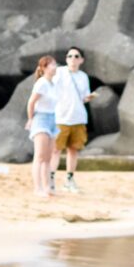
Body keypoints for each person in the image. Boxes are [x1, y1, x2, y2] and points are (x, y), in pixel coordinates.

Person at [51, 47, 93, 194]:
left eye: (76, 56)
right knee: (55, 150)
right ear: (66, 58)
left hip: (78, 117)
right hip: (61, 117)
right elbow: (50, 85)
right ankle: (50, 179)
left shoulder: (83, 77)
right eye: (70, 56)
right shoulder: (60, 72)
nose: (73, 59)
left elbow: (84, 97)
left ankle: (69, 179)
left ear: (81, 60)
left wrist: (88, 98)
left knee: (73, 150)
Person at [26, 56, 59, 197]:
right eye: (52, 65)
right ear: (44, 68)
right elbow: (31, 102)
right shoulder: (41, 83)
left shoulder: (53, 84)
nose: (55, 67)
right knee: (39, 156)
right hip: (41, 118)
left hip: (53, 118)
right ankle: (37, 188)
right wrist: (30, 119)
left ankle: (47, 187)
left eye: (55, 64)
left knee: (47, 157)